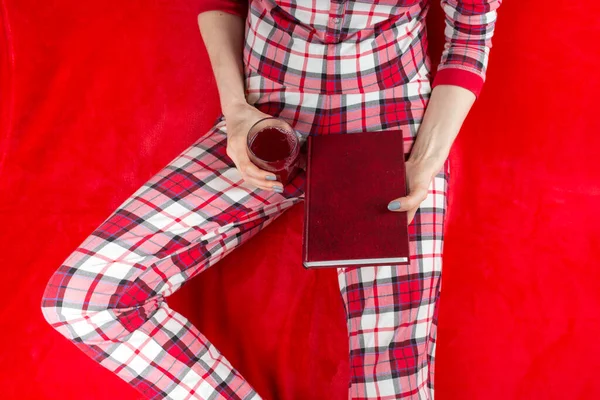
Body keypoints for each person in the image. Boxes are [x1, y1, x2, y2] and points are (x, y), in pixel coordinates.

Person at [40, 0, 502, 398]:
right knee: (86, 298)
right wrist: (237, 111)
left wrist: (424, 160)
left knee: (394, 381)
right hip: (267, 117)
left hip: (387, 125)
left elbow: (469, 34)